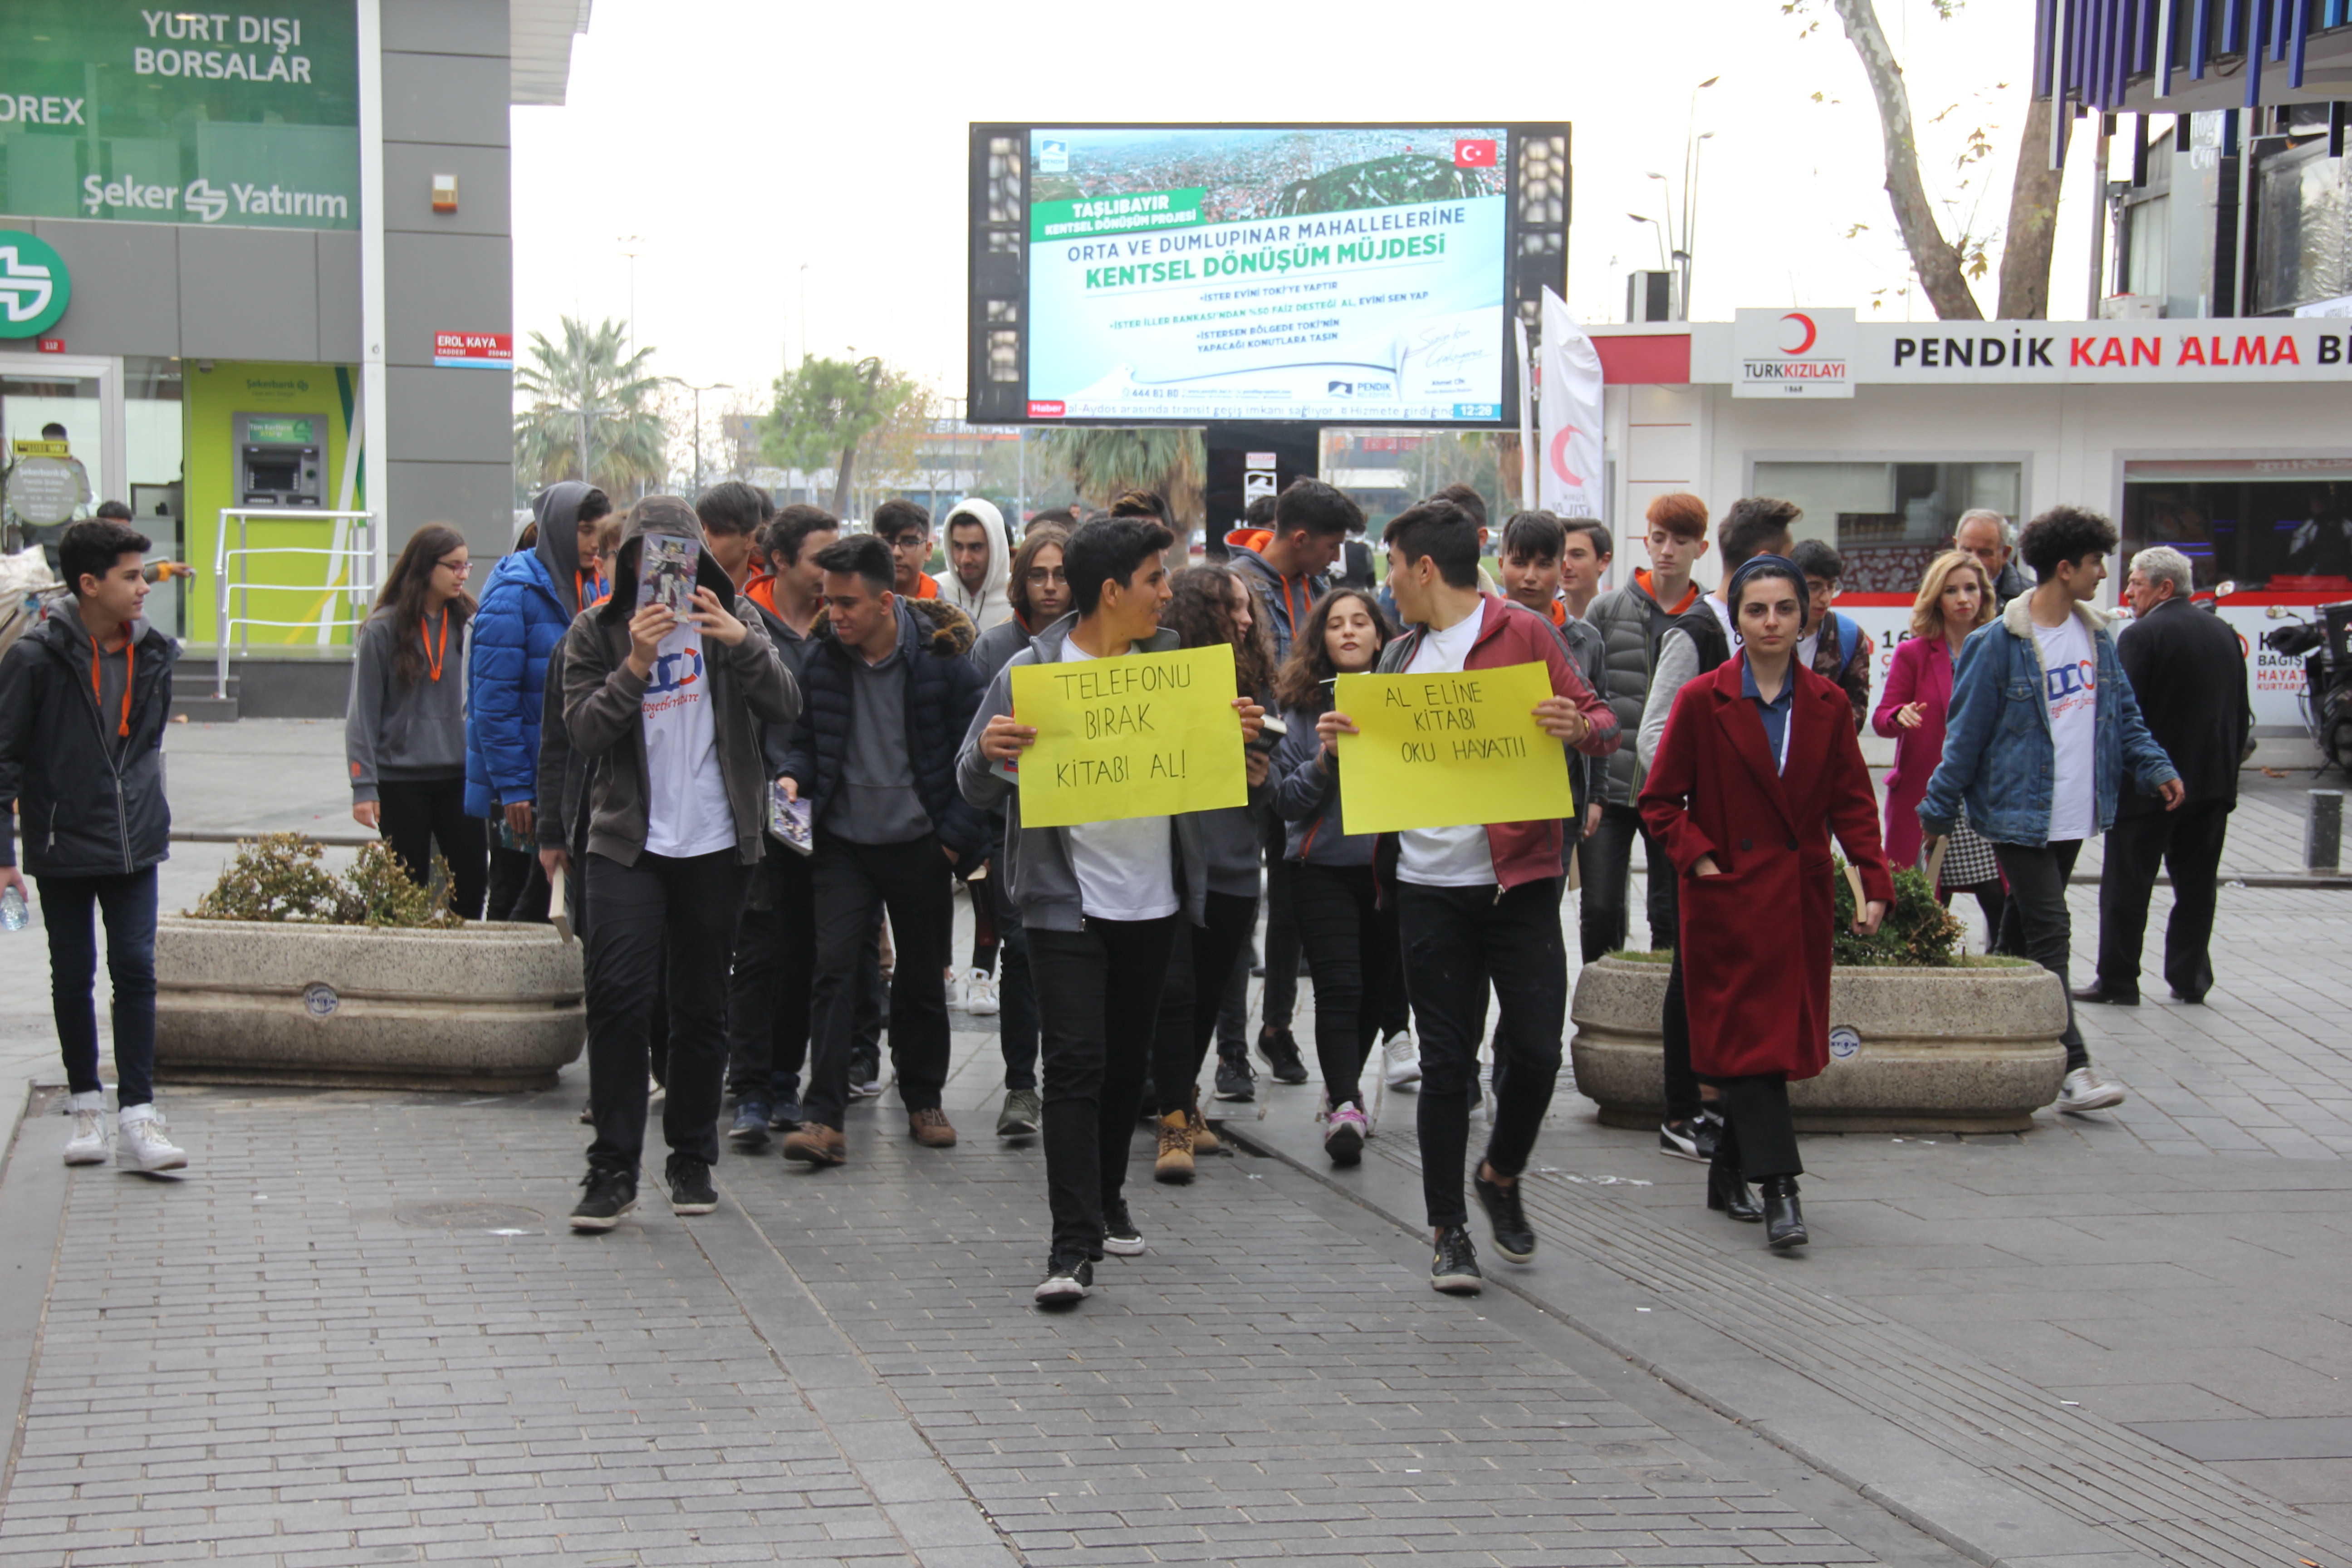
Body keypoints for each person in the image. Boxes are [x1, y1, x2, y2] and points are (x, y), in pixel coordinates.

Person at [959, 514, 1263, 1304]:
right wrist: (989, 753)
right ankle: (1071, 1245)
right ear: (1111, 591)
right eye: (1155, 579)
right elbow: (969, 781)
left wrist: (1233, 736)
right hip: (1063, 907)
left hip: (1153, 905)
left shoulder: (1176, 669)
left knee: (1126, 1066)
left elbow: (1219, 772)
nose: (1166, 593)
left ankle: (1106, 1198)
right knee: (1073, 1067)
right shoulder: (1029, 671)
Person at [1321, 499, 1618, 1294]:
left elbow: (1602, 720)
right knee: (1446, 1062)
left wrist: (1576, 726)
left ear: (1424, 569)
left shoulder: (1525, 634)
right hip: (1427, 890)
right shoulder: (1398, 658)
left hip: (1519, 885)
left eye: (1392, 567)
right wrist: (1339, 747)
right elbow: (1375, 763)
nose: (1386, 584)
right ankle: (1446, 1230)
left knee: (1537, 1050)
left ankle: (1500, 1173)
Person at [1640, 554, 1893, 1250]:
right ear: (1737, 619)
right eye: (1756, 610)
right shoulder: (1703, 700)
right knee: (1755, 1042)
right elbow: (1659, 801)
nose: (1772, 622)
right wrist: (1702, 859)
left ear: (1805, 615)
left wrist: (1874, 880)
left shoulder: (1828, 704)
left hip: (1796, 899)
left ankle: (1727, 1171)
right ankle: (1781, 1187)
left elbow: (1853, 803)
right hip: (1726, 900)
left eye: (1785, 608)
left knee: (1769, 1044)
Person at [560, 496, 797, 1230]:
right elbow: (585, 732)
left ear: (697, 558)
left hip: (716, 844)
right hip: (627, 843)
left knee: (701, 1005)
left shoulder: (735, 619)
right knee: (618, 998)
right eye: (646, 555)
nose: (662, 569)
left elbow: (786, 703)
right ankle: (612, 1167)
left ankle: (691, 1157)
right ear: (630, 559)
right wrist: (636, 663)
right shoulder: (597, 630)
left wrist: (742, 643)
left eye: (677, 553)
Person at [1918, 505, 2184, 1117]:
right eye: (2095, 563)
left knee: (2017, 937)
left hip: (2075, 814)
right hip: (2017, 814)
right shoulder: (1998, 643)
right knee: (2051, 930)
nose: (2103, 574)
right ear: (2065, 568)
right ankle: (2075, 1067)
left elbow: (2125, 717)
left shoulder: (2099, 637)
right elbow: (1965, 737)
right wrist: (1938, 810)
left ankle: (1982, 1035)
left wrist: (2156, 766)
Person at [777, 535, 990, 1166]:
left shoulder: (944, 662)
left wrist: (951, 843)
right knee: (834, 971)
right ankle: (824, 1117)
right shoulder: (823, 659)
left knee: (922, 977)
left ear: (884, 603)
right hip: (843, 845)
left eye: (846, 603)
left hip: (921, 845)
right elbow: (807, 742)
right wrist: (791, 779)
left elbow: (977, 759)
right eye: (829, 601)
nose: (834, 614)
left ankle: (924, 1100)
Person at [0, 518, 186, 1171]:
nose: (145, 586)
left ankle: (140, 1114)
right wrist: (4, 858)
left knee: (136, 970)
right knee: (73, 973)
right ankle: (86, 1106)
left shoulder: (155, 651)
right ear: (89, 584)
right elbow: (4, 761)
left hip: (136, 838)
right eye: (131, 577)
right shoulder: (34, 658)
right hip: (63, 840)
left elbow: (147, 747)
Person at [1631, 499, 1799, 1162]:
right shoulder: (1698, 632)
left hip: (1765, 852)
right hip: (1705, 841)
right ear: (1760, 559)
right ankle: (1682, 1109)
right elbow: (1654, 736)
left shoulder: (1770, 635)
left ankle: (1730, 1104)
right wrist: (1701, 823)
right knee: (1690, 971)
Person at [718, 503, 843, 1145]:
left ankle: (785, 1080)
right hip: (752, 806)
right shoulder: (743, 622)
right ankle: (749, 1090)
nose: (831, 570)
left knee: (802, 952)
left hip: (814, 813)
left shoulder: (838, 626)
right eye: (821, 558)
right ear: (781, 561)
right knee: (757, 951)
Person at [1147, 565, 1277, 1182]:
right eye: (1233, 609)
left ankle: (1186, 1100)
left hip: (1236, 865)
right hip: (1178, 864)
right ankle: (1172, 1121)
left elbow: (1282, 785)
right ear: (1200, 615)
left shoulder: (1259, 682)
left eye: (1249, 608)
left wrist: (1263, 775)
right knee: (1175, 993)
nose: (1248, 620)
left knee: (1206, 994)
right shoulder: (1163, 679)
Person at [1270, 587, 1408, 1164]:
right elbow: (1284, 801)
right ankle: (1347, 1104)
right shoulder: (1299, 710)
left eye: (1360, 622)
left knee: (1376, 993)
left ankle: (1341, 1083)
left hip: (1390, 870)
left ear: (1381, 636)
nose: (1349, 632)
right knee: (1340, 986)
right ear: (1319, 639)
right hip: (1320, 869)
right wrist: (1325, 760)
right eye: (1335, 624)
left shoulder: (1405, 698)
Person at [2083, 544, 2252, 1006]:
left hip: (2150, 788)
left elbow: (2121, 713)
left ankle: (2118, 980)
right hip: (2211, 786)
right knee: (2197, 888)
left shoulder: (2141, 636)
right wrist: (2227, 776)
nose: (2127, 592)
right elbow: (2240, 713)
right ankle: (2190, 978)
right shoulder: (2223, 632)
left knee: (2127, 885)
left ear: (2165, 588)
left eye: (2136, 583)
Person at [969, 523, 1072, 1139]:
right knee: (1022, 954)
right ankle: (1020, 1087)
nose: (1050, 586)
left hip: (1080, 832)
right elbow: (973, 748)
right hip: (1012, 831)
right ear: (1021, 581)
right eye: (1038, 574)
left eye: (1061, 574)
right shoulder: (996, 650)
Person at [470, 481, 608, 921]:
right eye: (585, 530)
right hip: (524, 787)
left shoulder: (594, 589)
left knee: (561, 903)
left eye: (600, 531)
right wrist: (513, 785)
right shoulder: (514, 592)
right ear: (559, 528)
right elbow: (493, 702)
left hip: (569, 784)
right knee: (513, 897)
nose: (595, 542)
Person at [1582, 495, 1710, 967]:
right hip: (1611, 790)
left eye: (1681, 541)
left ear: (1702, 547)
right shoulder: (1606, 609)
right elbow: (1584, 693)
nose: (1668, 550)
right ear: (1646, 540)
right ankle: (1600, 993)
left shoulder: (1710, 621)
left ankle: (1662, 1005)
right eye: (1659, 538)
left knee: (1670, 914)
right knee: (1600, 909)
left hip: (1674, 794)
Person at [347, 524, 486, 916]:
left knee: (473, 885)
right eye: (454, 566)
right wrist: (363, 786)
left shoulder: (471, 623)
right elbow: (362, 713)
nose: (462, 575)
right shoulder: (381, 630)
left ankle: (461, 955)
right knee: (407, 893)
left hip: (460, 778)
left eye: (466, 566)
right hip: (400, 781)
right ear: (425, 567)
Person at [1872, 551, 2005, 939]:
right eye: (1951, 591)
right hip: (1929, 795)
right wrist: (1900, 716)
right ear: (1936, 598)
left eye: (1971, 588)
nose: (1963, 598)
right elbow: (1881, 718)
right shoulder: (1914, 653)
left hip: (1983, 796)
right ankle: (1924, 963)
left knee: (1998, 894)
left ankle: (2002, 959)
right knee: (1926, 900)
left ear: (1984, 594)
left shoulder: (1999, 649)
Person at [1789, 538, 1874, 732]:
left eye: (1831, 587)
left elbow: (1857, 707)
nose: (1825, 598)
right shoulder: (1773, 630)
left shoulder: (1849, 636)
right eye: (1814, 587)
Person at [941, 497, 1014, 635]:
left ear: (996, 547)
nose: (965, 559)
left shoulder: (1019, 597)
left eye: (976, 547)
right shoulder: (936, 592)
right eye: (958, 546)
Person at [1953, 508, 2030, 612]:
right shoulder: (1936, 593)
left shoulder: (2029, 601)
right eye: (1967, 551)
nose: (1973, 561)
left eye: (1984, 553)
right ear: (1956, 546)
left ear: (2005, 554)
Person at [696, 480, 769, 588]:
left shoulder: (773, 594)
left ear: (749, 540)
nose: (704, 540)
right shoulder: (682, 588)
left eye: (718, 532)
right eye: (700, 528)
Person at [871, 499, 941, 600]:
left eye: (910, 543)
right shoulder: (854, 607)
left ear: (928, 551)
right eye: (888, 542)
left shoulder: (949, 610)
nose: (896, 553)